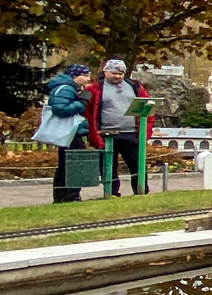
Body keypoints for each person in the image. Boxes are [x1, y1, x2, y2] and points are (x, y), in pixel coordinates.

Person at [82, 58, 152, 196]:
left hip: (131, 134)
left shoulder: (136, 87)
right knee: (108, 167)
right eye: (114, 73)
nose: (117, 76)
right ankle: (111, 193)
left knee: (137, 165)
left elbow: (147, 110)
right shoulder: (94, 88)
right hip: (106, 134)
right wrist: (94, 135)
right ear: (106, 71)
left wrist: (145, 134)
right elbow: (88, 113)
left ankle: (141, 192)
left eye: (120, 73)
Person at [45, 64, 94, 203]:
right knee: (75, 163)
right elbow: (60, 109)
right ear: (73, 76)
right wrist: (81, 102)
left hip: (70, 132)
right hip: (70, 132)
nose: (87, 79)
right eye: (84, 76)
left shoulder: (70, 88)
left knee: (65, 165)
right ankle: (71, 196)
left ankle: (61, 196)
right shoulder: (65, 89)